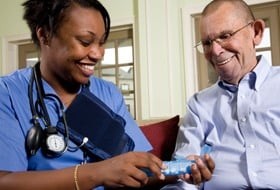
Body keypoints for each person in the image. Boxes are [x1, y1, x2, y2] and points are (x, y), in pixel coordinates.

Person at [0, 0, 214, 189]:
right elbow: (4, 181)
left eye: (101, 42)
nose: (97, 54)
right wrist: (97, 173)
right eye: (85, 41)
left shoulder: (108, 94)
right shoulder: (8, 94)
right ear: (45, 35)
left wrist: (179, 172)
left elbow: (141, 171)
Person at [163, 0, 280, 189]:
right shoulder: (198, 105)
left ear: (256, 32)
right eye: (207, 43)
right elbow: (179, 171)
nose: (215, 51)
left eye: (225, 36)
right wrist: (184, 171)